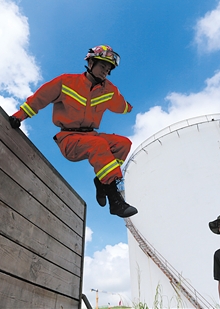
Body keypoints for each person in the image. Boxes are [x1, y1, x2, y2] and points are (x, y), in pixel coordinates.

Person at [9, 45, 138, 218]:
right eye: (102, 67)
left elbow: (120, 104)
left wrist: (129, 108)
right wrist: (19, 116)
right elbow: (40, 98)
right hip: (69, 138)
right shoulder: (66, 82)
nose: (104, 73)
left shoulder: (109, 90)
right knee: (98, 144)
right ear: (91, 62)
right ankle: (115, 201)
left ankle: (102, 181)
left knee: (123, 144)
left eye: (108, 70)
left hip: (91, 135)